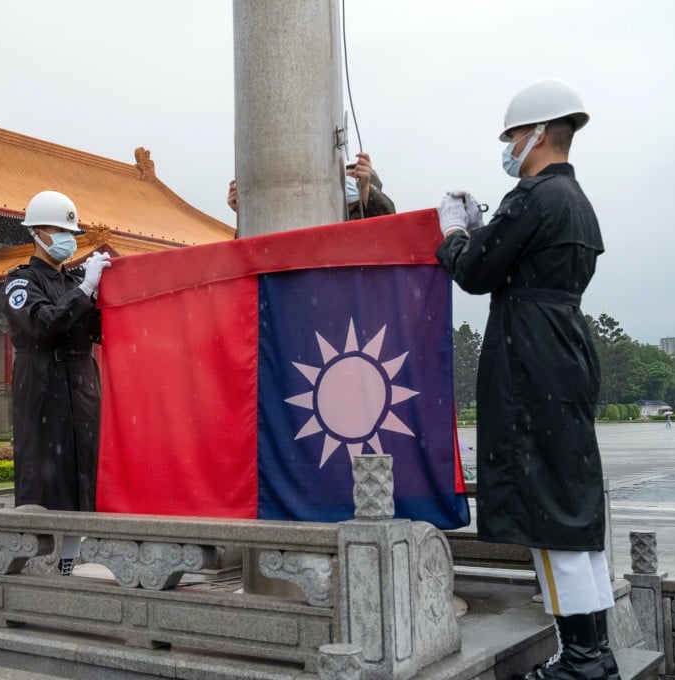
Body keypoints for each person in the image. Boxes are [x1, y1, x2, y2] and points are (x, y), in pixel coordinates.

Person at [435, 79, 617, 680]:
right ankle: (594, 651)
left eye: (513, 134)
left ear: (538, 134)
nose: (509, 145)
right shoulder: (576, 200)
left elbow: (477, 272)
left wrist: (457, 233)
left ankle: (581, 663)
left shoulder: (534, 196)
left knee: (551, 512)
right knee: (571, 505)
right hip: (564, 346)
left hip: (532, 355)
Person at [1, 190, 111, 576]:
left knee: (85, 470)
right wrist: (84, 292)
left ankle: (77, 559)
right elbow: (42, 323)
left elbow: (101, 329)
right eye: (58, 230)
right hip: (43, 387)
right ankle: (44, 563)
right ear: (37, 233)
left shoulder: (79, 280)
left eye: (71, 232)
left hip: (81, 386)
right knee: (48, 474)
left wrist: (105, 291)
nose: (66, 239)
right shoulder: (21, 283)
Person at [226, 152, 396, 220]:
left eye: (355, 178)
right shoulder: (320, 214)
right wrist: (245, 215)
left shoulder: (367, 218)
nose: (348, 183)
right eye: (344, 177)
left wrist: (365, 189)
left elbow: (390, 226)